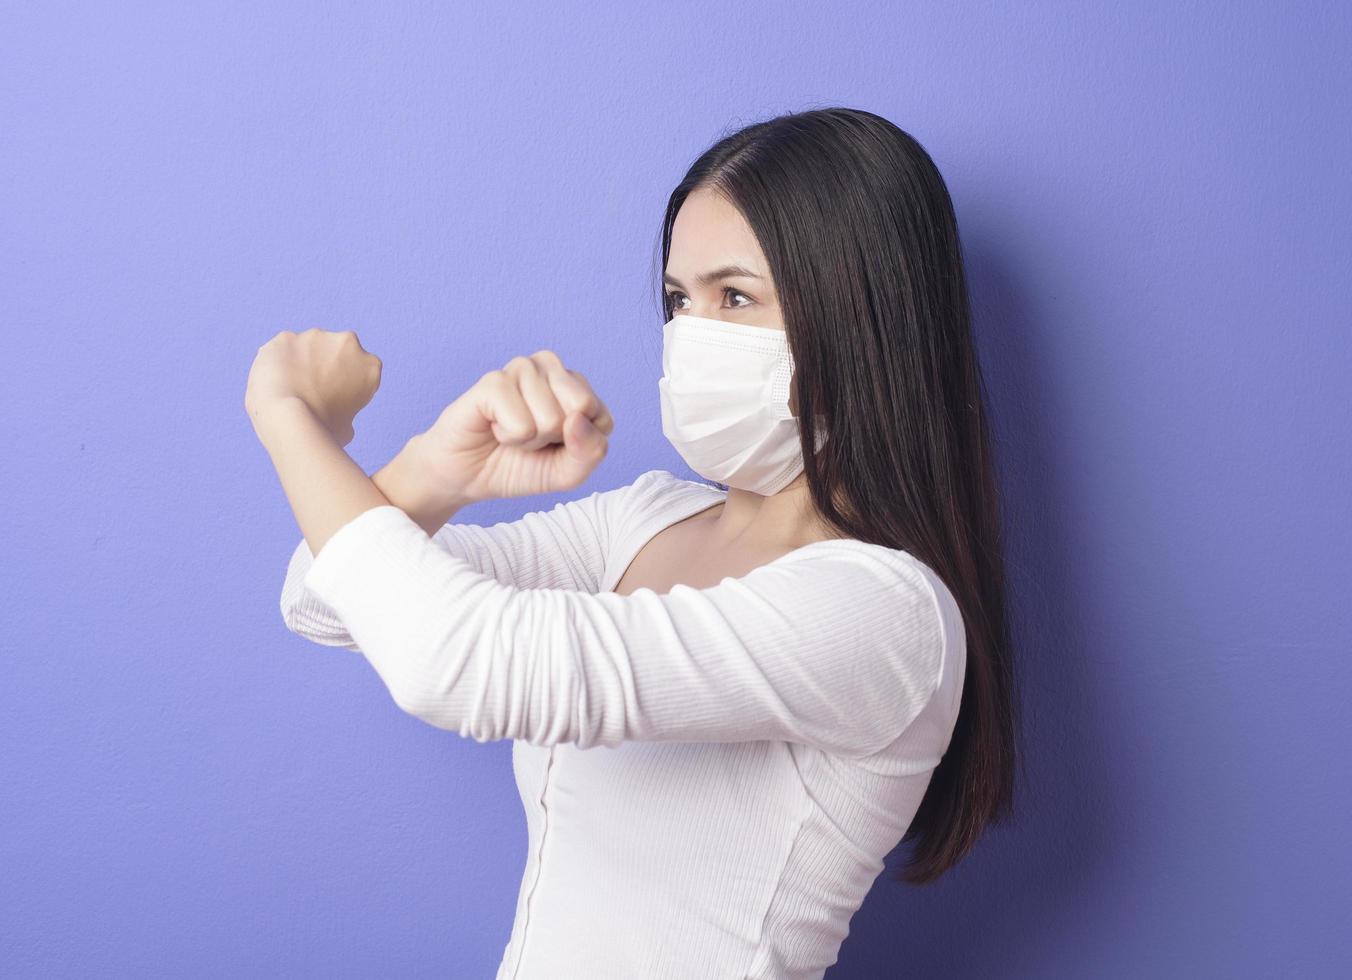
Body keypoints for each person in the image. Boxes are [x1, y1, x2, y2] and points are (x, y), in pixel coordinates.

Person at [247, 106, 1018, 980]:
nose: (692, 334)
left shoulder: (883, 612)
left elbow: (450, 663)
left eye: (735, 297)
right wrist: (436, 471)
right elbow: (323, 596)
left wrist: (286, 418)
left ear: (862, 320)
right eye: (678, 300)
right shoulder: (643, 519)